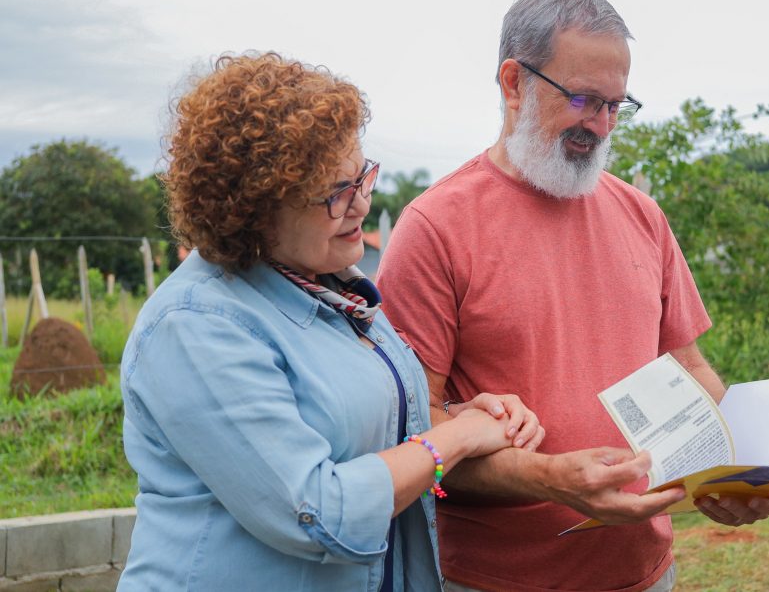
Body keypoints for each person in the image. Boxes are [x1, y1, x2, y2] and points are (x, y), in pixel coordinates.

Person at [375, 0, 769, 592]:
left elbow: (688, 370)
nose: (601, 125)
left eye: (618, 105)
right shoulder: (435, 227)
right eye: (585, 100)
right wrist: (548, 479)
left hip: (643, 573)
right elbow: (412, 433)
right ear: (513, 83)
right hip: (493, 580)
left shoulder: (642, 215)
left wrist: (730, 471)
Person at [117, 52, 543, 592]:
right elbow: (317, 513)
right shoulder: (195, 326)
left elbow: (364, 429)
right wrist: (455, 440)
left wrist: (459, 413)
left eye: (362, 176)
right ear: (256, 207)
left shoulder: (330, 287)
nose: (362, 203)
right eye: (336, 193)